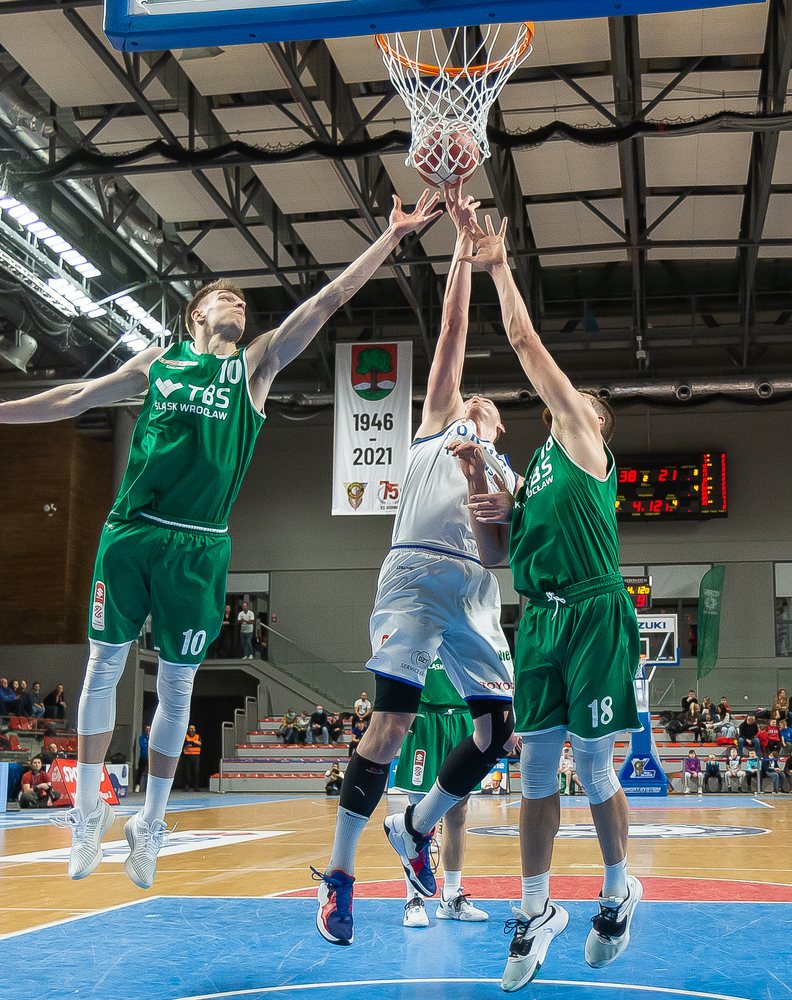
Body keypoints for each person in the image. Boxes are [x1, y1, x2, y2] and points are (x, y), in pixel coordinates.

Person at [0, 188, 441, 892]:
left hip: (201, 544)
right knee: (104, 666)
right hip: (131, 530)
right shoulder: (157, 363)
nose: (239, 304)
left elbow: (325, 303)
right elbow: (76, 397)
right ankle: (87, 811)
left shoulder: (254, 367)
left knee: (177, 685)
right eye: (224, 298)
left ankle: (150, 821)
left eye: (243, 302)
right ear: (196, 315)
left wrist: (390, 238)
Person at [311, 192, 518, 949]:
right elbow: (453, 334)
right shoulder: (435, 427)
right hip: (415, 574)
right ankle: (340, 874)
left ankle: (416, 826)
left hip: (475, 588)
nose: (473, 399)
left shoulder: (508, 475)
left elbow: (499, 556)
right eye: (468, 396)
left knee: (498, 727)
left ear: (500, 426)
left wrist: (481, 480)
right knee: (392, 721)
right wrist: (461, 250)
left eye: (485, 404)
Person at [446, 211, 642, 990]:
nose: (573, 399)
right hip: (539, 622)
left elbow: (526, 343)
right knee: (533, 771)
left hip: (594, 612)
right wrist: (479, 486)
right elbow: (495, 558)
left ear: (597, 424)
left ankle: (619, 889)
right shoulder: (533, 480)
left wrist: (497, 264)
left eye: (584, 399)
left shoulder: (585, 448)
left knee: (591, 764)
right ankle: (534, 910)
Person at [390, 659, 493, 929]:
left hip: (465, 717)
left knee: (459, 813)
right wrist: (397, 705)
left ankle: (451, 897)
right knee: (418, 818)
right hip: (425, 718)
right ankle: (414, 899)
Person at [181, 725, 201, 791]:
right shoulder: (185, 736)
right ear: (188, 730)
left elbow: (199, 744)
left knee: (196, 772)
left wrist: (190, 743)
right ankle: (186, 786)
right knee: (187, 772)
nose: (192, 730)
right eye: (191, 728)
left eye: (193, 728)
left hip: (196, 757)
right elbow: (184, 744)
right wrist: (194, 743)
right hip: (187, 757)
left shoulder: (197, 736)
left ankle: (196, 787)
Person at [136, 725, 150, 793]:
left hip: (150, 757)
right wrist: (148, 746)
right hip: (143, 756)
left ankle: (149, 787)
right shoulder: (142, 737)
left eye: (149, 729)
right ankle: (137, 785)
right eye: (147, 729)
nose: (148, 730)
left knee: (150, 772)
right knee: (140, 771)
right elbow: (142, 746)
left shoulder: (151, 737)